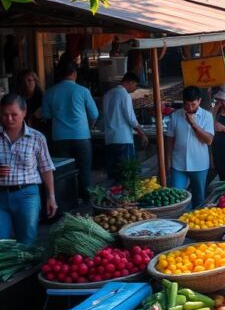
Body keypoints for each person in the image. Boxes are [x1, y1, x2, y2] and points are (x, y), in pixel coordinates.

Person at [0, 94, 56, 245]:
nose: (9, 119)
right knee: (1, 242)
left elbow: (46, 168)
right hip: (1, 196)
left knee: (27, 241)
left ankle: (26, 269)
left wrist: (51, 197)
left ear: (24, 113)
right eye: (5, 115)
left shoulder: (37, 138)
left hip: (27, 195)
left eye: (14, 114)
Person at [42, 60, 98, 200]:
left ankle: (68, 200)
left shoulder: (49, 92)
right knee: (84, 170)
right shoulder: (83, 91)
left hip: (59, 138)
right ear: (74, 73)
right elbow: (94, 114)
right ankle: (85, 200)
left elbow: (46, 116)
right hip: (81, 137)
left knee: (64, 171)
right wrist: (90, 126)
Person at [165, 86, 214, 207]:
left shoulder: (207, 116)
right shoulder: (176, 115)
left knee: (198, 198)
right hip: (178, 163)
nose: (190, 108)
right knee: (176, 196)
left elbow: (208, 140)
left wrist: (194, 124)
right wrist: (168, 159)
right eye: (187, 104)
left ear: (199, 101)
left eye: (193, 104)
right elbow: (170, 139)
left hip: (199, 163)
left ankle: (197, 222)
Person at [101, 72, 148, 181]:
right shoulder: (124, 95)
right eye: (135, 85)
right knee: (127, 175)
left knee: (113, 175)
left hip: (109, 139)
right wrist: (142, 134)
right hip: (123, 139)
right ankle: (125, 197)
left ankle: (113, 196)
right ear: (129, 82)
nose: (135, 89)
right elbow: (131, 119)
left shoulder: (107, 95)